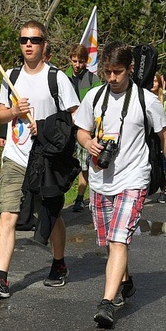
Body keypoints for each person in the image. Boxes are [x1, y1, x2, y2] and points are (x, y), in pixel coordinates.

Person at [75, 42, 166, 327]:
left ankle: (107, 303)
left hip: (133, 178)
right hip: (100, 179)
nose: (112, 78)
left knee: (118, 239)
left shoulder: (147, 100)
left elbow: (165, 136)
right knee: (110, 242)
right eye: (107, 72)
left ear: (130, 69)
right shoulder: (94, 97)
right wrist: (89, 143)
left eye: (117, 72)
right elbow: (81, 131)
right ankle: (125, 280)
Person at [0, 21, 80, 299]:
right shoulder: (10, 75)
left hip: (45, 158)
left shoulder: (56, 78)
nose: (28, 45)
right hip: (15, 156)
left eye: (34, 40)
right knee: (7, 213)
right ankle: (1, 279)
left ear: (44, 44)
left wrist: (46, 127)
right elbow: (0, 114)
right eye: (24, 40)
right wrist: (13, 111)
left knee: (52, 213)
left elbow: (74, 116)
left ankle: (58, 263)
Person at [65, 43, 102, 212]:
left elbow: (98, 104)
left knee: (84, 165)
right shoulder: (62, 77)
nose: (77, 65)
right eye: (74, 61)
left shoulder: (93, 80)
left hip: (85, 128)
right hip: (65, 127)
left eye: (81, 61)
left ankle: (80, 197)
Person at [151, 73, 166, 203]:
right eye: (152, 81)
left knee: (163, 163)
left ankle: (164, 189)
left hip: (162, 135)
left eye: (156, 81)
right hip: (150, 137)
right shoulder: (144, 97)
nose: (153, 84)